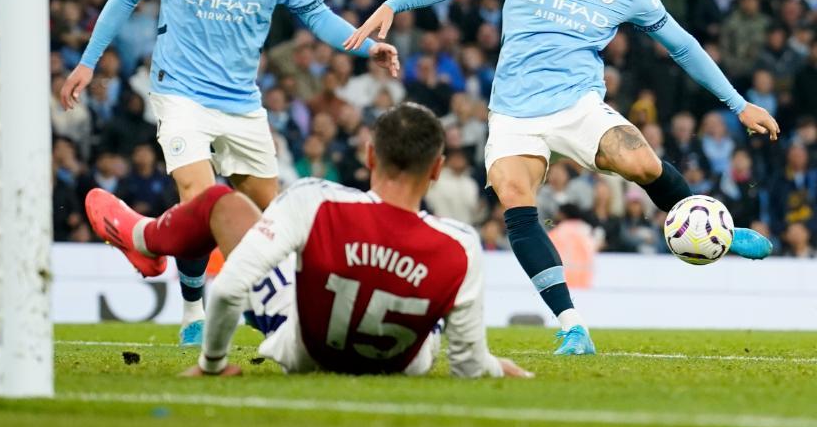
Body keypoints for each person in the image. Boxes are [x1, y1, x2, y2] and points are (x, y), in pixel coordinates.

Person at [346, 0, 779, 355]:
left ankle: (715, 227)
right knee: (515, 199)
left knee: (642, 165)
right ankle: (572, 326)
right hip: (513, 112)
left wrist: (739, 104)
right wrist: (394, 3)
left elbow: (683, 46)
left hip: (578, 104)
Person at [60, 0, 399, 345]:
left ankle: (147, 241)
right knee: (201, 200)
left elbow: (318, 16)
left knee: (271, 219)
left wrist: (369, 46)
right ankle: (195, 308)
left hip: (242, 101)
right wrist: (89, 61)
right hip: (180, 92)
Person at [86, 103, 531, 379]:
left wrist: (212, 364)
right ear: (436, 170)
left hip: (303, 349)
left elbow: (226, 290)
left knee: (222, 201)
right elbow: (469, 364)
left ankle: (142, 236)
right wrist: (496, 368)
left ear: (370, 155)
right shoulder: (461, 243)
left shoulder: (318, 201)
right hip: (405, 360)